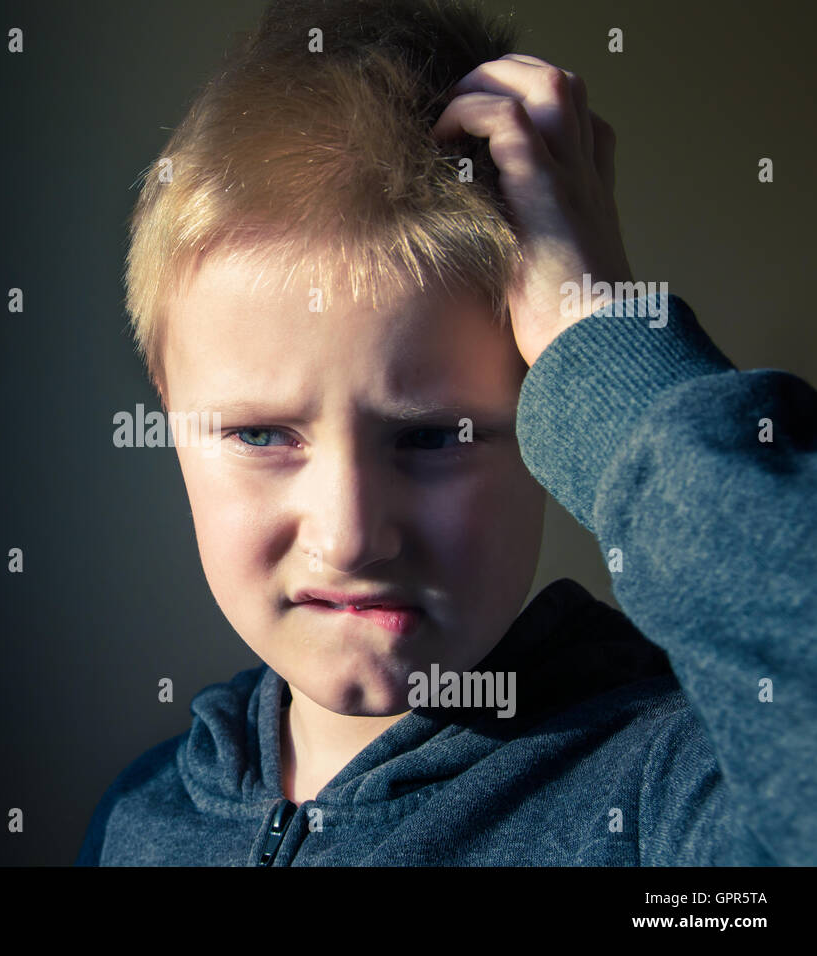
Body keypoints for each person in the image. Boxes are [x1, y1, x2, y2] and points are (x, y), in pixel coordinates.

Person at [77, 0, 816, 865]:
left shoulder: (667, 802)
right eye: (260, 436)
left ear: (562, 411)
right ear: (169, 416)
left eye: (432, 438)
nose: (350, 536)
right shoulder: (139, 819)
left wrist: (600, 331)